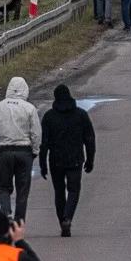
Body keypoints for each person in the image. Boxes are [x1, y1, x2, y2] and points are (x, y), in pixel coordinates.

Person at [38, 84, 96, 237]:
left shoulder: (49, 117)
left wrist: (42, 164)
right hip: (75, 159)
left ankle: (62, 220)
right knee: (74, 190)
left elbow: (43, 143)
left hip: (56, 160)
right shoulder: (81, 115)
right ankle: (68, 218)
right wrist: (90, 159)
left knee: (59, 191)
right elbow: (90, 139)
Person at [0, 77, 41, 222]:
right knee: (23, 189)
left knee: (3, 186)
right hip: (24, 152)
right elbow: (36, 133)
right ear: (25, 89)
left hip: (6, 152)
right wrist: (35, 150)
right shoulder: (29, 108)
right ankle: (19, 221)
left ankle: (6, 211)